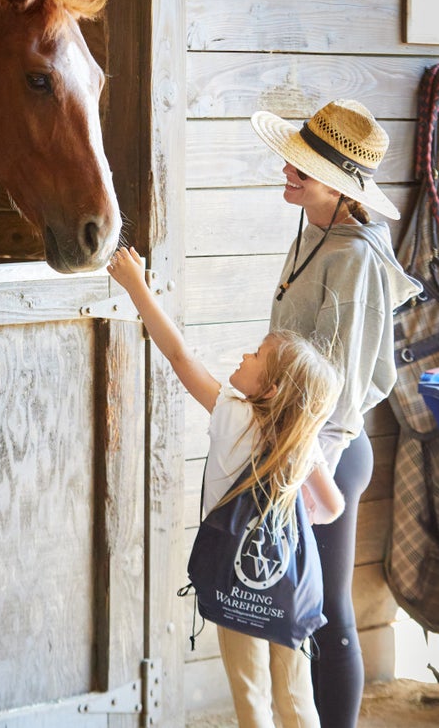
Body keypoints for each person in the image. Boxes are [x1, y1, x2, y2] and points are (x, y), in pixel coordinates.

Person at [108, 245, 345, 728]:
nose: (245, 353)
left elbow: (178, 353)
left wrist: (136, 287)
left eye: (257, 355)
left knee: (250, 694)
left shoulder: (233, 416)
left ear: (270, 389)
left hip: (239, 582)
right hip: (288, 584)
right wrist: (290, 509)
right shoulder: (303, 440)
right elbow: (332, 506)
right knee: (297, 698)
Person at [249, 99, 422, 727]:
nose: (288, 172)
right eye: (292, 159)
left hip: (327, 452)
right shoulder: (319, 233)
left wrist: (304, 465)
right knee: (311, 604)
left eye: (304, 167)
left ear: (342, 185)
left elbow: (344, 389)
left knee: (329, 610)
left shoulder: (353, 258)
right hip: (300, 444)